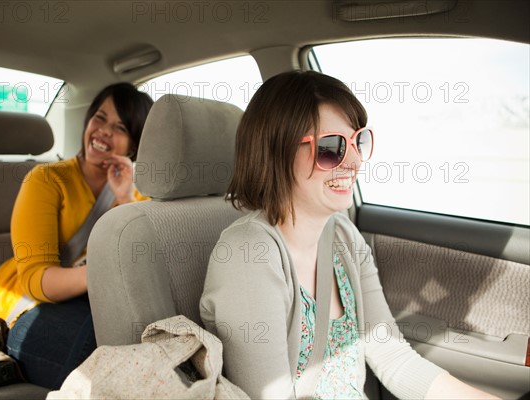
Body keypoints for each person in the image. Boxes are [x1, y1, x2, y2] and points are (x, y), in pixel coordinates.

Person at [199, 71, 497, 399]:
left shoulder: (342, 235)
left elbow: (392, 357)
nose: (354, 161)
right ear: (277, 153)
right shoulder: (249, 254)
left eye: (359, 141)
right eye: (331, 148)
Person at [0, 82, 153, 389]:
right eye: (100, 118)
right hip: (29, 308)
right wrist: (101, 274)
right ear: (88, 120)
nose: (104, 131)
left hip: (92, 303)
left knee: (139, 333)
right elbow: (35, 279)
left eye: (120, 127)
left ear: (132, 145)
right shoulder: (47, 180)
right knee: (110, 347)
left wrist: (124, 199)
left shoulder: (133, 192)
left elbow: (141, 265)